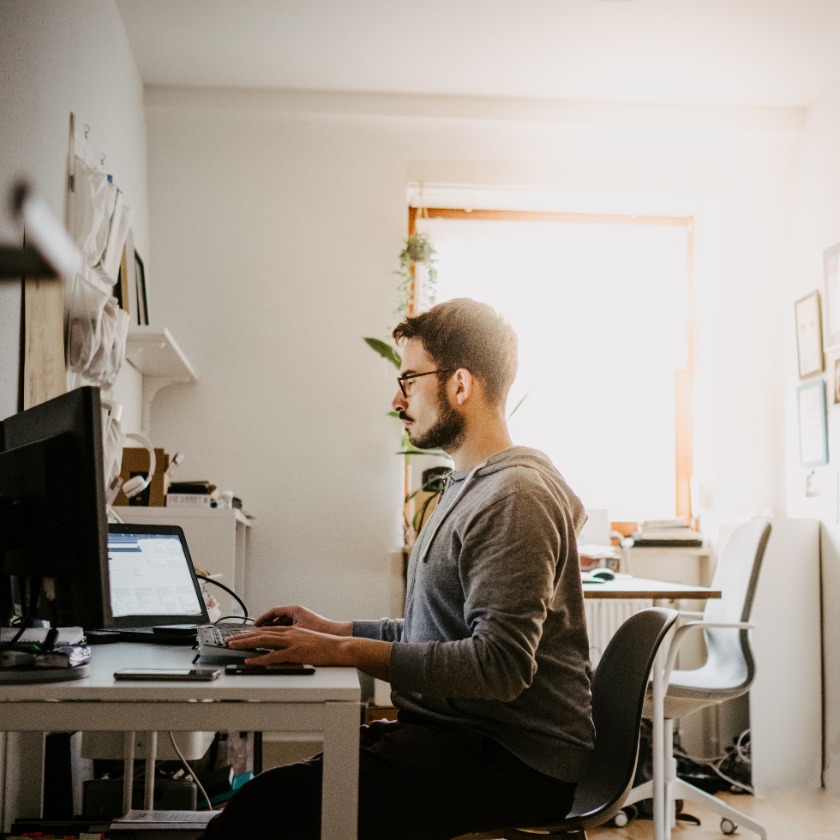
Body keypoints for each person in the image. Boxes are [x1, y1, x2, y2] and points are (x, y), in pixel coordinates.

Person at [199, 297, 594, 840]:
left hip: (511, 761)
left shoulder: (513, 497)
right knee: (268, 799)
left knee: (263, 814)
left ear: (460, 385)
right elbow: (437, 635)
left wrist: (341, 652)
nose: (396, 398)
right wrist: (330, 629)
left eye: (409, 379)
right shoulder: (466, 487)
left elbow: (499, 667)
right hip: (461, 738)